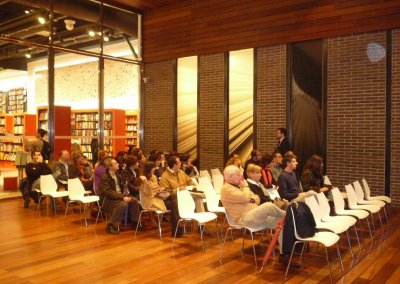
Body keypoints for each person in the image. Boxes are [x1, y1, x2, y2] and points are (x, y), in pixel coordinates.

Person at [220, 165, 286, 254]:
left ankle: (284, 252)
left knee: (281, 222)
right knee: (267, 206)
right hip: (244, 218)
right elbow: (244, 197)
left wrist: (249, 199)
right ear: (230, 176)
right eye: (238, 174)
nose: (241, 177)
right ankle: (289, 214)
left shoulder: (239, 187)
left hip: (256, 215)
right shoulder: (226, 189)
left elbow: (257, 198)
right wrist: (246, 188)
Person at [99, 157, 140, 234]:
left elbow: (124, 185)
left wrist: (126, 192)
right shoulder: (105, 177)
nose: (118, 164)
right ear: (110, 167)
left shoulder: (118, 174)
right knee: (122, 205)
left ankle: (135, 222)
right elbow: (108, 192)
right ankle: (111, 225)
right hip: (108, 199)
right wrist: (122, 197)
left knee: (134, 200)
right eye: (115, 163)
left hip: (120, 196)